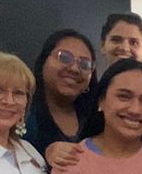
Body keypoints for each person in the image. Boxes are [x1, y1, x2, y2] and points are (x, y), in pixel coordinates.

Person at [23, 29, 98, 158]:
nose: (74, 69)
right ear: (43, 62)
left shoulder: (99, 121)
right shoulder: (21, 113)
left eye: (85, 64)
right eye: (64, 57)